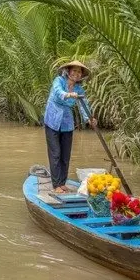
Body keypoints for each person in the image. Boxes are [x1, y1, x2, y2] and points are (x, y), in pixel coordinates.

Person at [43, 60, 97, 194]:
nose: (76, 74)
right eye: (74, 71)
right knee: (55, 153)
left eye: (79, 72)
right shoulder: (59, 81)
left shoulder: (79, 89)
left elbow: (83, 104)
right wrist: (68, 94)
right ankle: (56, 184)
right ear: (68, 71)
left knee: (65, 155)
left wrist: (89, 119)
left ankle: (62, 182)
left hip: (67, 122)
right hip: (52, 120)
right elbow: (58, 92)